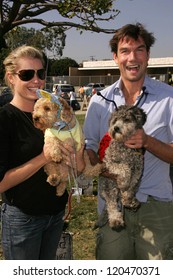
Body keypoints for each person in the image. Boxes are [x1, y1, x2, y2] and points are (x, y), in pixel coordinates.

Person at [83, 23, 173, 260]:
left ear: (148, 55)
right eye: (125, 51)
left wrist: (148, 141)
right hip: (113, 207)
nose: (132, 58)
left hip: (156, 206)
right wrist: (99, 166)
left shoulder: (169, 98)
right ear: (115, 57)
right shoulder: (99, 100)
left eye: (139, 50)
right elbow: (89, 146)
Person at [0, 45, 85, 260]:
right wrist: (43, 158)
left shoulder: (56, 117)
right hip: (23, 220)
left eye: (40, 73)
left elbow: (79, 166)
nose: (36, 80)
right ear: (11, 78)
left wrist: (78, 155)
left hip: (55, 215)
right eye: (27, 74)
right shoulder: (5, 118)